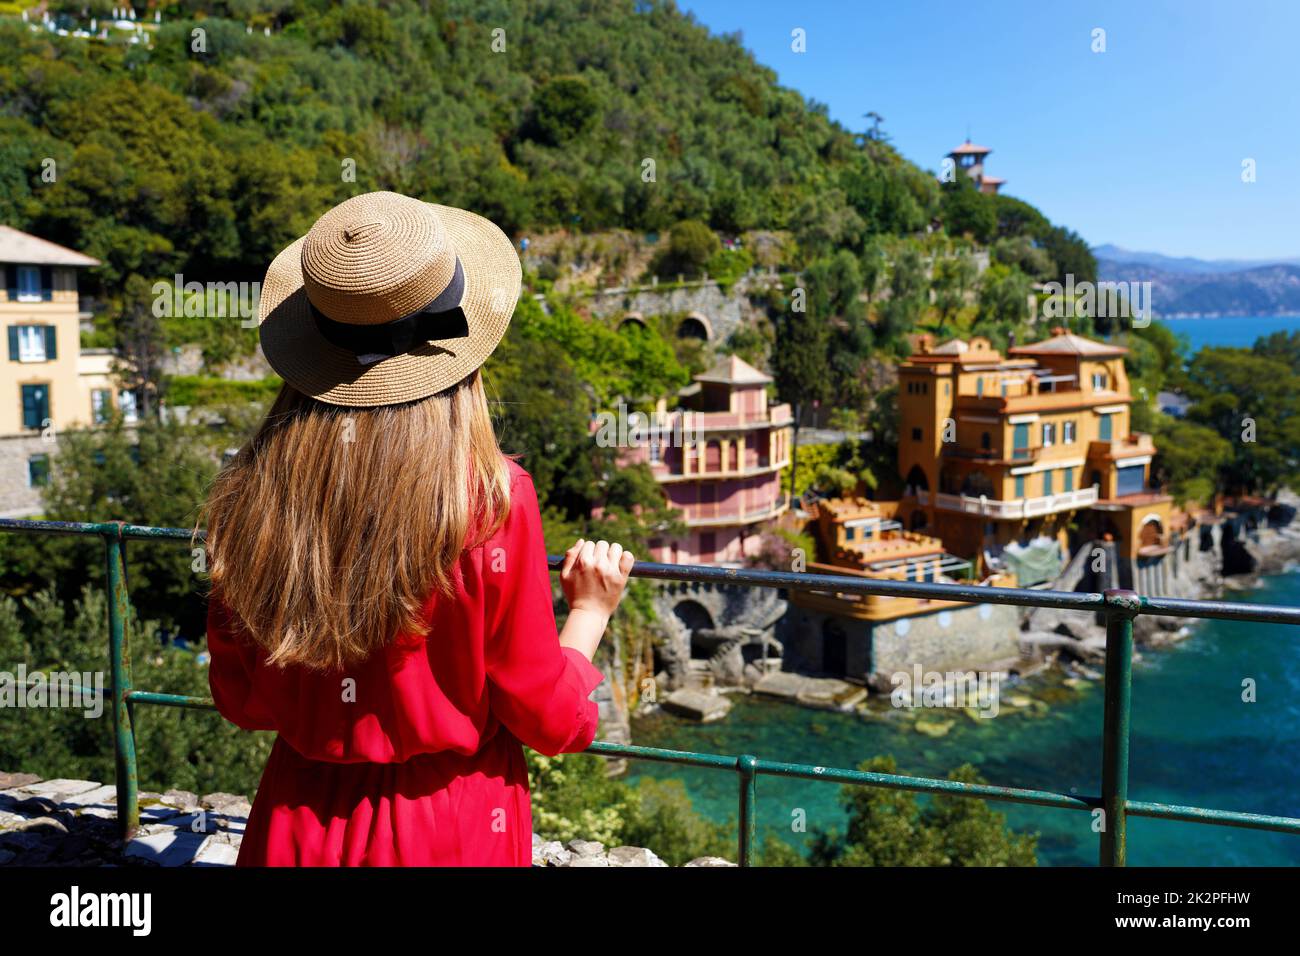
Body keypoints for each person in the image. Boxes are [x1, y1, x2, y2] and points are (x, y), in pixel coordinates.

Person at [202, 191, 635, 866]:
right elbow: (548, 717)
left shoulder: (248, 497)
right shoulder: (491, 499)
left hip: (296, 824)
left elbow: (241, 699)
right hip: (453, 829)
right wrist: (589, 613)